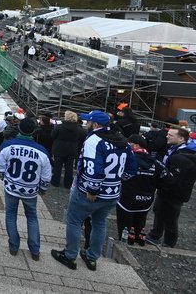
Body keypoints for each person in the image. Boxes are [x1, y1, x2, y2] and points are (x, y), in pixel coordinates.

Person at [52, 110, 136, 272]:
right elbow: (131, 169)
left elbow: (94, 169)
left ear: (95, 124)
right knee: (99, 223)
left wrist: (93, 189)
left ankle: (70, 256)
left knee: (74, 221)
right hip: (112, 193)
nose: (85, 124)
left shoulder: (94, 140)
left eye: (88, 122)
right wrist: (116, 181)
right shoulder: (122, 141)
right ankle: (92, 258)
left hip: (91, 192)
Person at [0, 118, 51, 260]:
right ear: (33, 131)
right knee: (32, 217)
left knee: (11, 215)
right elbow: (46, 176)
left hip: (12, 187)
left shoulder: (8, 146)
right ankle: (35, 250)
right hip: (30, 190)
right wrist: (42, 189)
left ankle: (14, 246)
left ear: (19, 129)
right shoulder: (41, 151)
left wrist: (5, 178)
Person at [118, 135, 173, 246]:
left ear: (136, 145)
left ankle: (124, 244)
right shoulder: (156, 162)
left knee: (124, 227)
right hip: (146, 200)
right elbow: (169, 179)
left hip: (126, 200)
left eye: (130, 144)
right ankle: (138, 242)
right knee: (139, 225)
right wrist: (155, 186)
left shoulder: (127, 160)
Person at [147, 126, 196, 247]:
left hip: (175, 192)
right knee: (159, 211)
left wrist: (163, 183)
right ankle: (155, 235)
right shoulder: (174, 149)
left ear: (181, 139)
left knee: (170, 217)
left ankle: (169, 243)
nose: (167, 136)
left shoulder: (183, 156)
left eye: (171, 135)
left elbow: (176, 178)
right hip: (165, 189)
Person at [50, 110, 83, 188]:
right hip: (71, 150)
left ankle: (55, 182)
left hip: (59, 149)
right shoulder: (78, 129)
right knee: (69, 168)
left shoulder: (60, 127)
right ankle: (68, 183)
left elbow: (52, 135)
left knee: (57, 167)